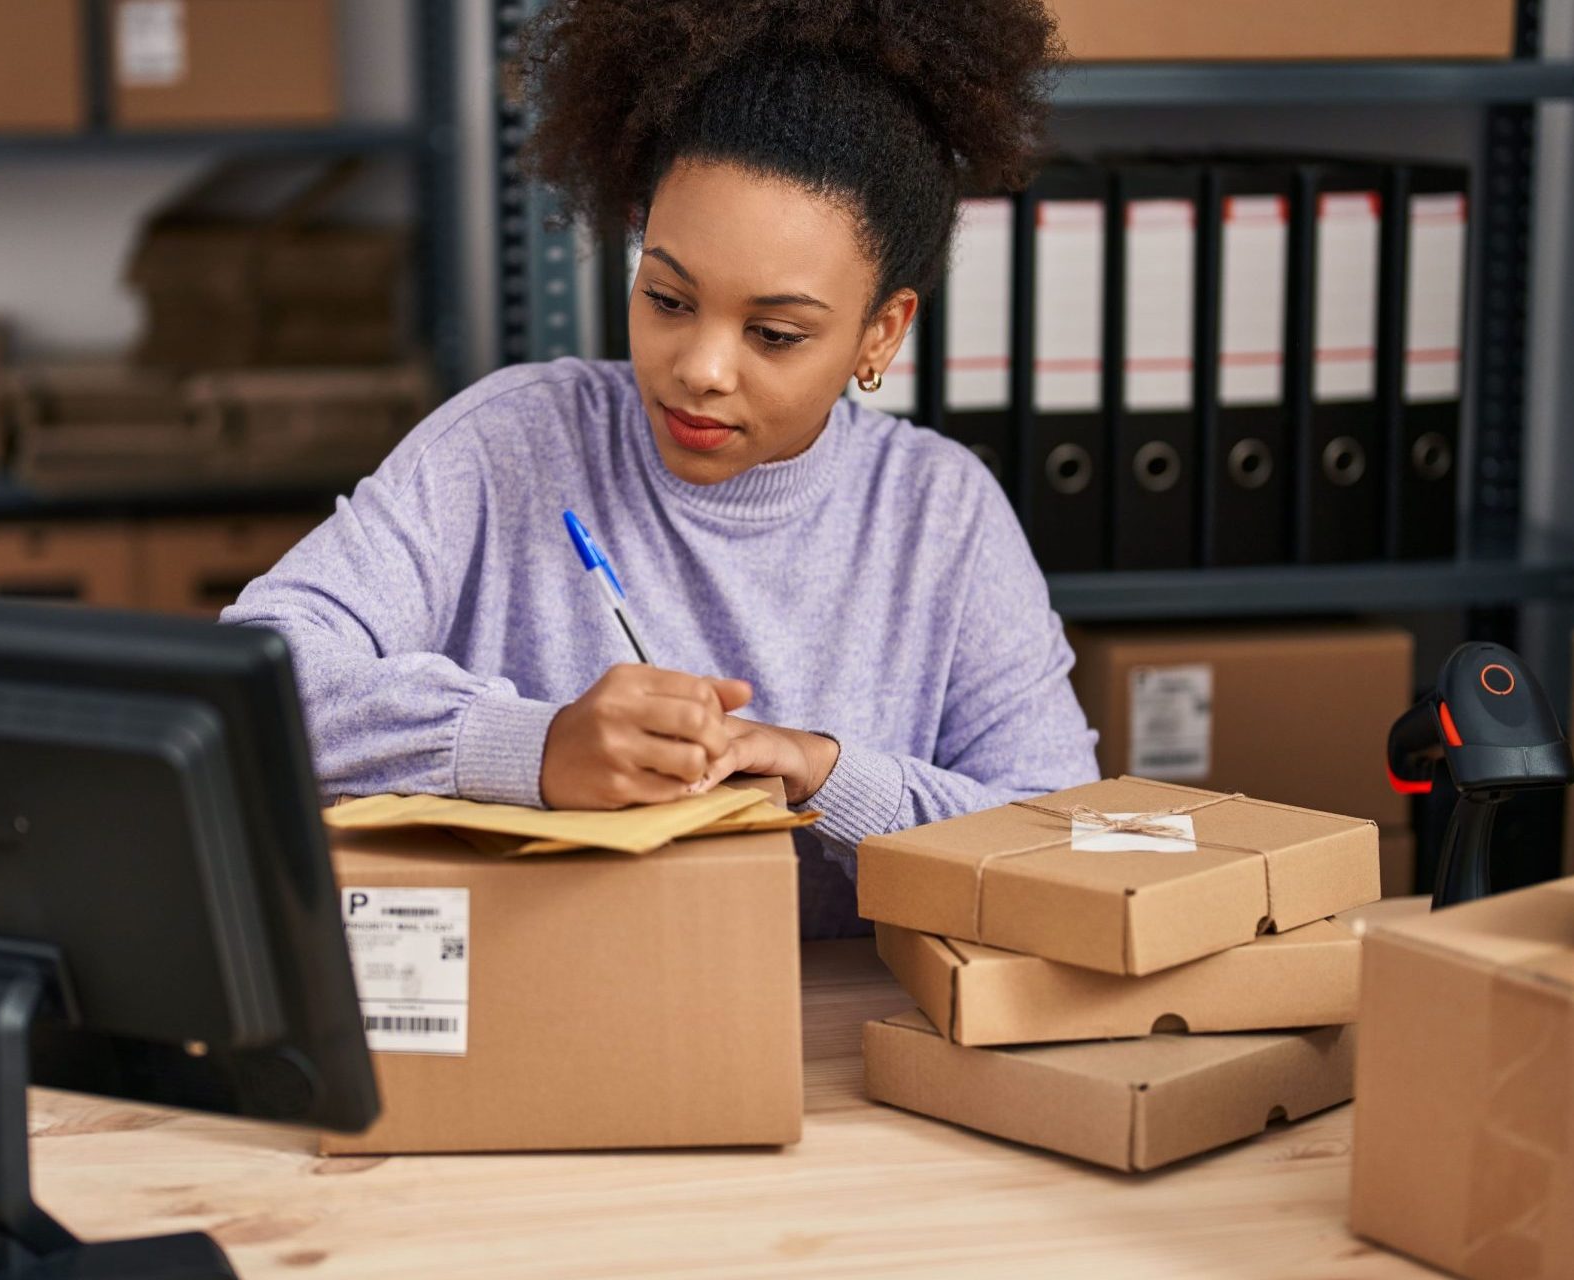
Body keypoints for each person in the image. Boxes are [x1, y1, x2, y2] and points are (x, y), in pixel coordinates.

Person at [223, 0, 1098, 936]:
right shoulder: (511, 442)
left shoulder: (941, 512)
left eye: (774, 333)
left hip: (840, 1043)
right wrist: (532, 747)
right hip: (553, 1015)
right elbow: (258, 676)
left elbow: (1062, 841)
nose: (700, 369)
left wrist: (826, 773)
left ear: (880, 333)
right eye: (668, 297)